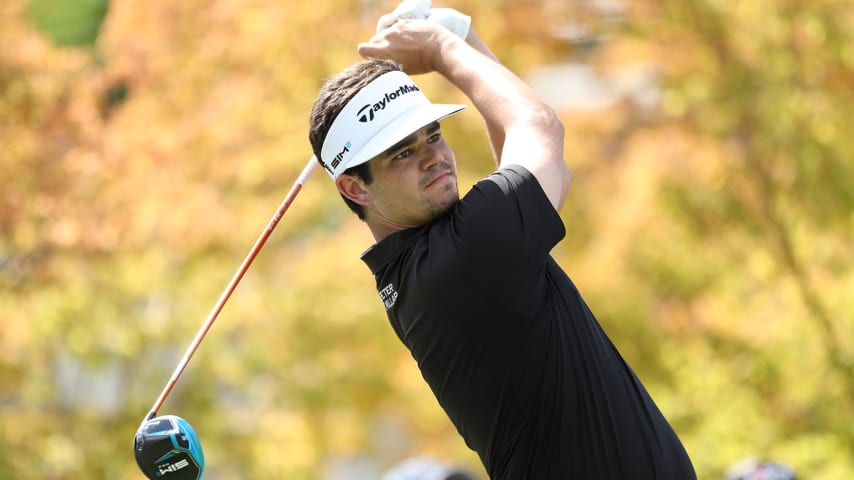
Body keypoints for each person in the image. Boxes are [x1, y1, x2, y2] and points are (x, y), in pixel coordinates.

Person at [308, 2, 696, 478]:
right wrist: (441, 48)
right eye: (402, 153)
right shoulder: (456, 262)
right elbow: (539, 129)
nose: (433, 157)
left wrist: (464, 43)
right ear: (354, 187)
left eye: (433, 135)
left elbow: (525, 170)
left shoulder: (427, 263)